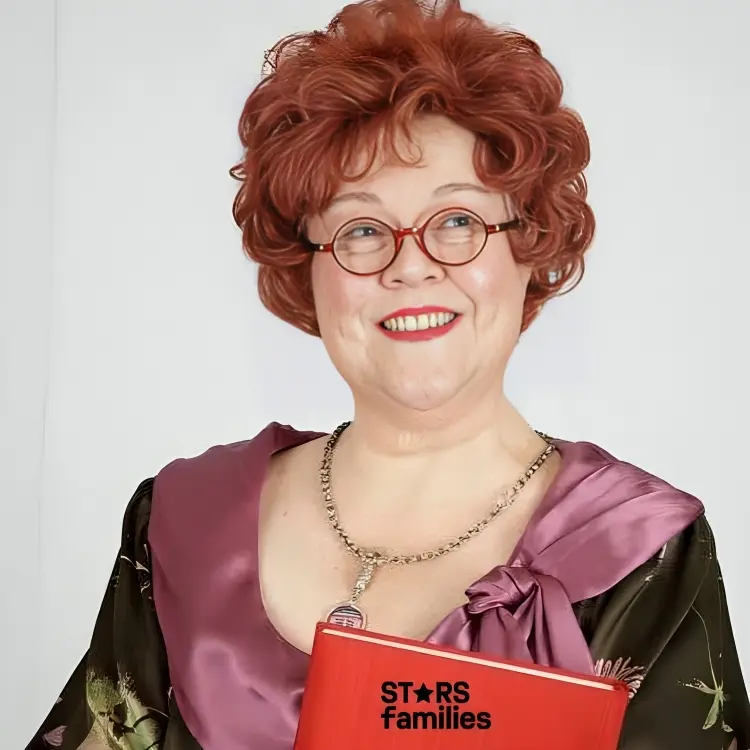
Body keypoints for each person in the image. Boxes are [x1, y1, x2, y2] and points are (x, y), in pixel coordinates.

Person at [24, 0, 749, 748]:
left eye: (459, 220)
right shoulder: (180, 525)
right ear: (305, 270)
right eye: (361, 229)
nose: (411, 266)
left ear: (527, 245)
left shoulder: (640, 549)